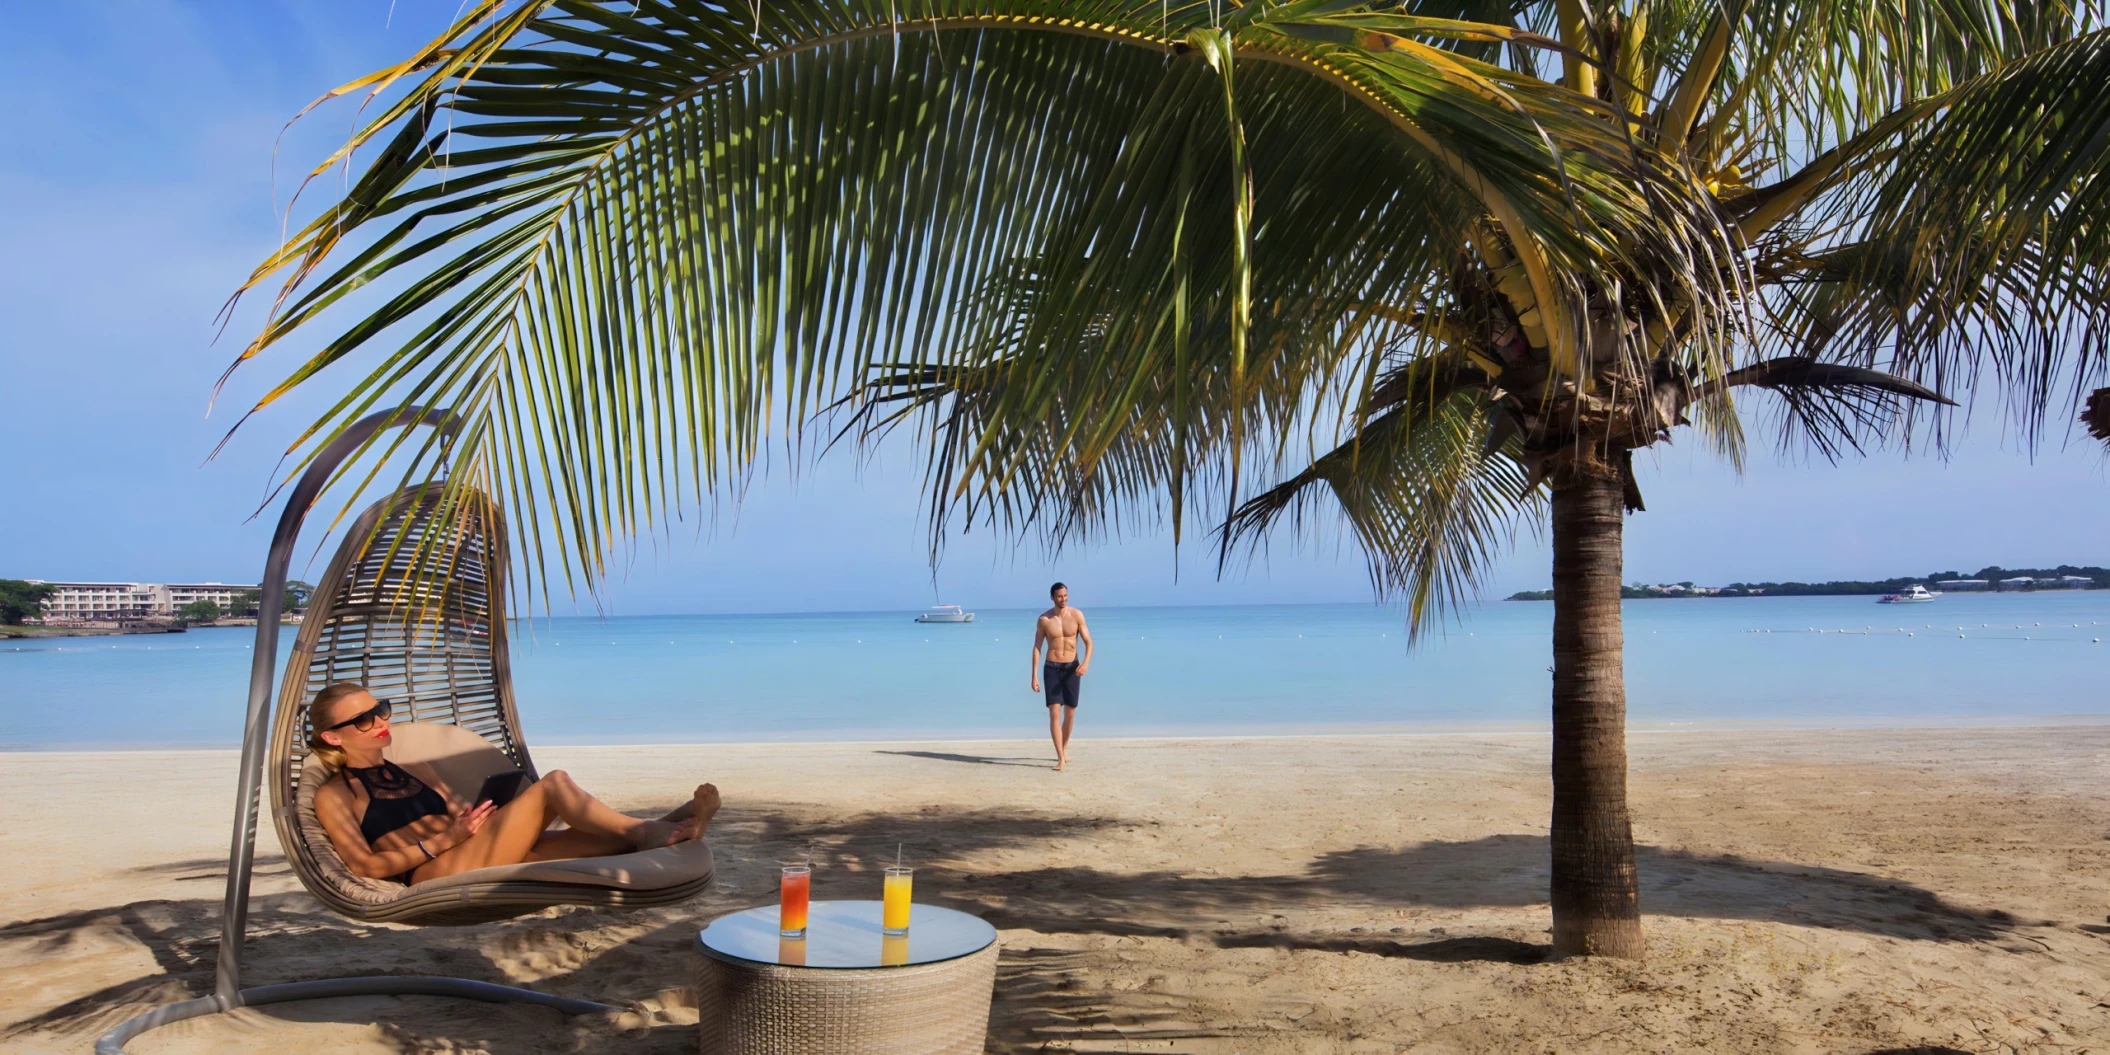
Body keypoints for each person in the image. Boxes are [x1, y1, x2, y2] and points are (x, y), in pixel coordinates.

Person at [304, 682, 719, 884]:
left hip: (473, 850)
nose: (380, 722)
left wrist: (479, 820)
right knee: (554, 784)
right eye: (364, 719)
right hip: (433, 872)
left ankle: (672, 823)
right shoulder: (336, 795)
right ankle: (650, 829)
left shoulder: (419, 769)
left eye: (382, 709)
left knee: (598, 843)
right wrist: (444, 840)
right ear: (333, 736)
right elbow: (364, 867)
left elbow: (457, 819)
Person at [1030, 582, 1093, 771]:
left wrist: (1085, 664)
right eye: (1059, 596)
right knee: (1054, 713)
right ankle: (1060, 757)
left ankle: (1064, 749)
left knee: (1071, 713)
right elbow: (1037, 647)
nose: (1063, 599)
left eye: (1065, 595)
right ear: (1052, 597)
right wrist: (1034, 675)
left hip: (1072, 669)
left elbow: (1089, 643)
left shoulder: (1077, 615)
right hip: (1052, 668)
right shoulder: (1044, 620)